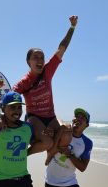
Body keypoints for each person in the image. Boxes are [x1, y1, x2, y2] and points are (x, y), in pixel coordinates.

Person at [12, 15, 78, 157]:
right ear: (28, 62)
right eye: (35, 57)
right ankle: (23, 155)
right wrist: (2, 116)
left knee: (67, 135)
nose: (40, 60)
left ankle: (51, 152)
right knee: (47, 142)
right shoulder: (24, 82)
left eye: (42, 57)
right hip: (34, 118)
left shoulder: (47, 71)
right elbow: (9, 97)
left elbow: (61, 49)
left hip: (51, 116)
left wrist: (72, 27)